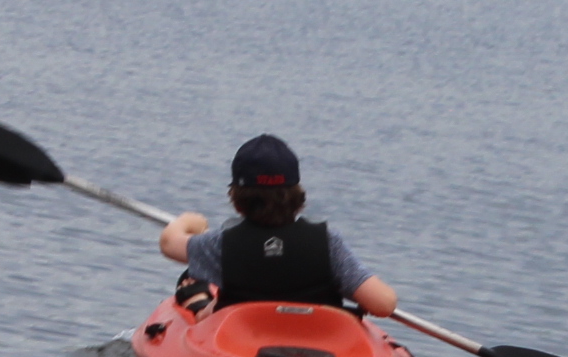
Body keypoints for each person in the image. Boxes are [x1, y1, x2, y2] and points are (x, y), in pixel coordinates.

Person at [158, 133, 398, 319]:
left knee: (191, 286)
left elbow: (169, 243)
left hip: (241, 340)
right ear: (297, 196)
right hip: (320, 341)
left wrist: (190, 221)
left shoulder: (221, 243)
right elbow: (384, 304)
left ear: (236, 198)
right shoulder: (327, 244)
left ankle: (200, 299)